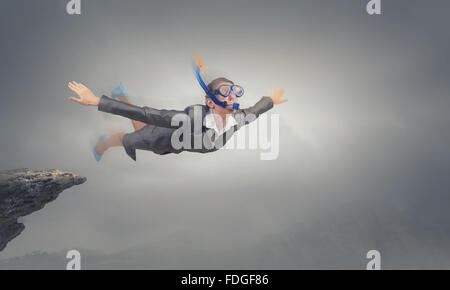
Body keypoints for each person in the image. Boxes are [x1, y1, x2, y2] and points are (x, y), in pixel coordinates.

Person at [68, 58, 288, 161]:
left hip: (174, 144)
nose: (232, 95)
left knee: (141, 127)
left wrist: (272, 99)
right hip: (161, 138)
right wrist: (97, 101)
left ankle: (121, 94)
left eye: (234, 90)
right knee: (131, 137)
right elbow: (147, 113)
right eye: (224, 91)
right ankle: (104, 143)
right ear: (211, 102)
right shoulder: (189, 119)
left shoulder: (239, 118)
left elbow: (258, 108)